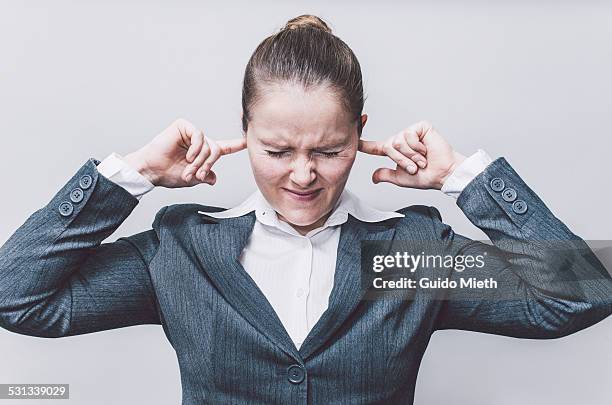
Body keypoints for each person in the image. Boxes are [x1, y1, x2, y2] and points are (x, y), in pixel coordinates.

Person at [0, 14, 610, 405]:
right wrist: (128, 177)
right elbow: (16, 296)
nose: (302, 174)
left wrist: (462, 178)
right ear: (243, 130)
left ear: (361, 133)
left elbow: (581, 293)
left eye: (329, 150)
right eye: (276, 149)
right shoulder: (182, 252)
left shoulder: (410, 259)